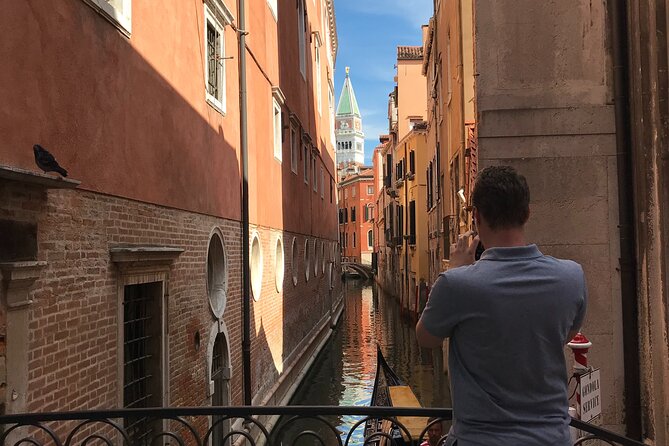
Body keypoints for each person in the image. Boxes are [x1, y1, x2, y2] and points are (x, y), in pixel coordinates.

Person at [416, 166, 587, 446]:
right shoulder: (572, 277)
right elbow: (563, 336)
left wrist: (457, 269)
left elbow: (425, 338)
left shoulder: (456, 285)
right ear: (527, 213)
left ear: (476, 216)